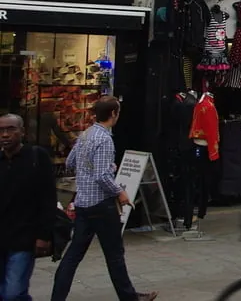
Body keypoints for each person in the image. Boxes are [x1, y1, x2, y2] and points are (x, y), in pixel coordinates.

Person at [51, 97, 158, 301]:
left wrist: (100, 168)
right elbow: (101, 176)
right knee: (115, 255)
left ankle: (57, 297)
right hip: (101, 205)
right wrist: (120, 191)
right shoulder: (105, 139)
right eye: (117, 112)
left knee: (73, 256)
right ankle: (130, 297)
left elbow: (71, 162)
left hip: (83, 203)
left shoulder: (86, 134)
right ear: (113, 114)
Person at [0, 113, 56, 300]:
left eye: (10, 129)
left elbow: (48, 198)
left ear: (22, 132)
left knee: (13, 292)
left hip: (23, 237)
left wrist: (43, 235)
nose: (5, 135)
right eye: (1, 130)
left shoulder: (36, 157)